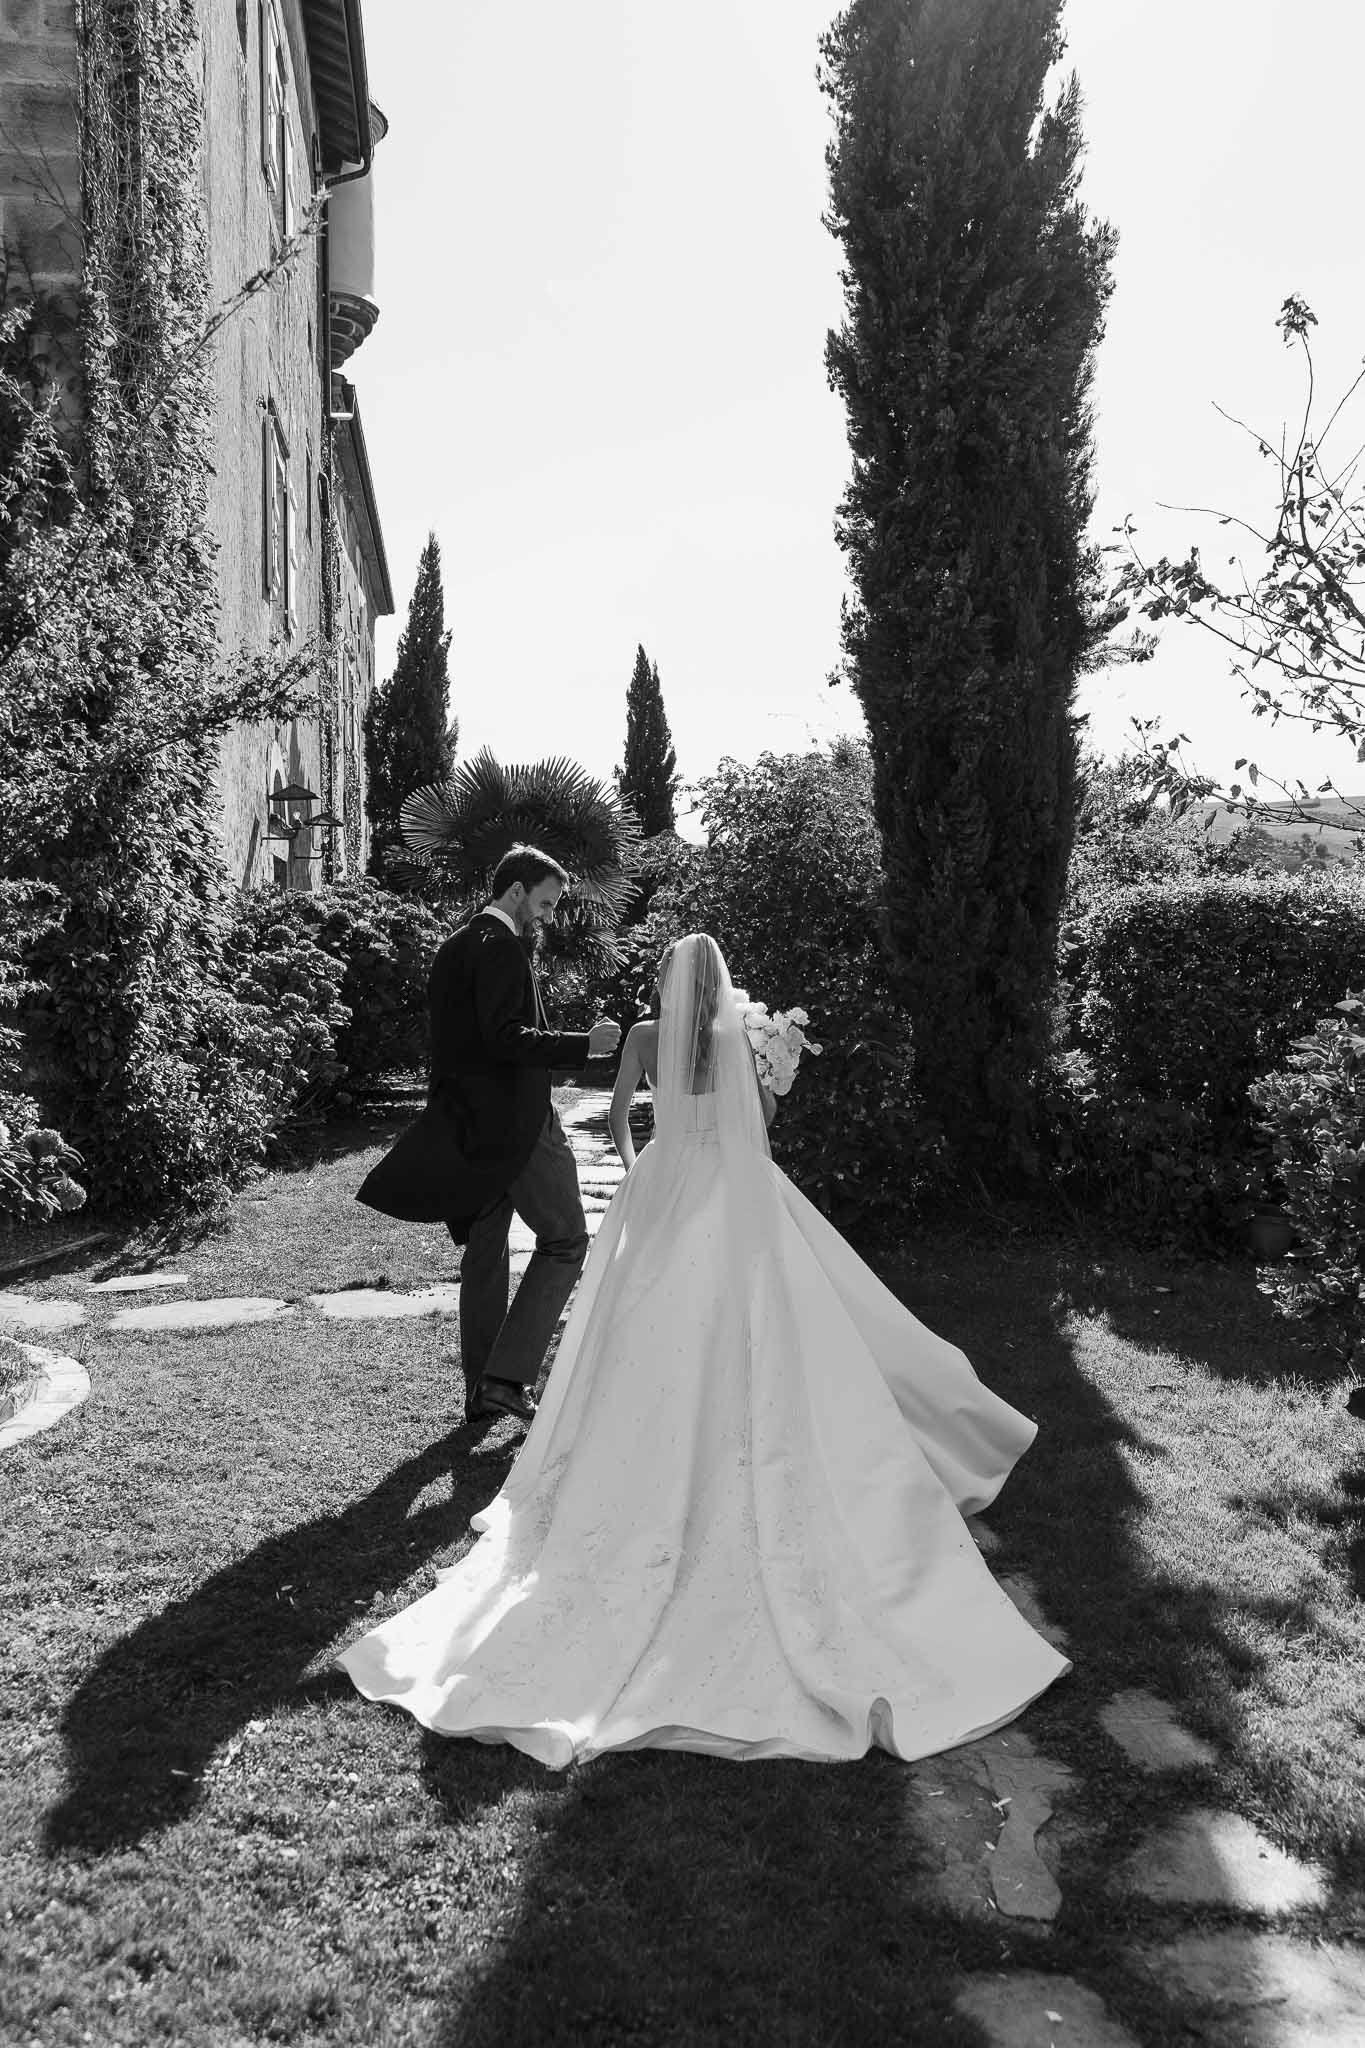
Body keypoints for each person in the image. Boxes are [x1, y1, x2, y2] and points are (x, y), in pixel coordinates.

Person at [339, 934, 1069, 1765]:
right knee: (753, 1315)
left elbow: (618, 1112)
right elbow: (759, 1126)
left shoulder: (644, 1035)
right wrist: (773, 1071)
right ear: (718, 985)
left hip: (664, 1183)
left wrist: (638, 1166)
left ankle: (650, 1443)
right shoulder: (738, 1036)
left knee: (644, 1324)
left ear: (667, 982)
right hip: (730, 1189)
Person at [356, 845, 621, 1424]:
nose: (548, 916)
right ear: (516, 890)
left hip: (470, 1128)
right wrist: (584, 1045)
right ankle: (505, 1377)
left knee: (487, 1254)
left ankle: (483, 1390)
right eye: (545, 903)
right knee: (566, 1241)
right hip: (517, 1125)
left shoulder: (455, 945)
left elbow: (462, 1046)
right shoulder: (501, 947)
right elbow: (506, 1038)